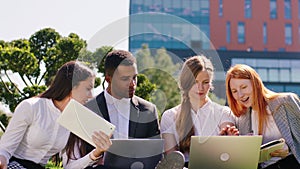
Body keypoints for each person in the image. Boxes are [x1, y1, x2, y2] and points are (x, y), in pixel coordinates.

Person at [62, 49, 185, 169]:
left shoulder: (148, 110)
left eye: (134, 77)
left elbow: (156, 156)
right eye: (125, 79)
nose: (133, 84)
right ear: (108, 79)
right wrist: (95, 155)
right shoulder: (86, 110)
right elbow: (70, 165)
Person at [0, 60, 95, 169]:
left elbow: (69, 166)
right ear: (72, 85)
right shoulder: (31, 107)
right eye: (88, 89)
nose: (91, 96)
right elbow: (5, 150)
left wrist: (95, 153)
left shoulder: (73, 119)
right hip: (15, 165)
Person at [160, 55, 238, 167]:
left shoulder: (223, 113)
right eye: (195, 82)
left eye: (205, 82)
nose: (200, 88)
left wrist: (230, 140)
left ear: (211, 84)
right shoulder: (169, 116)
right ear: (186, 82)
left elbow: (227, 152)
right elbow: (172, 159)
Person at [225, 64, 300, 169]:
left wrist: (288, 149)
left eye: (244, 87)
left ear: (255, 84)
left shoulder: (285, 102)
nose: (240, 94)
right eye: (234, 91)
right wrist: (235, 142)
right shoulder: (242, 118)